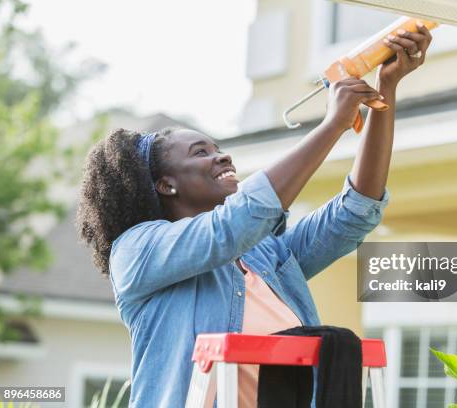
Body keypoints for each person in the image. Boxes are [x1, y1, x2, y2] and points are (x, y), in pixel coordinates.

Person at [77, 26, 432, 408]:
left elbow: (353, 215)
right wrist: (332, 125)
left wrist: (386, 90)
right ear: (166, 185)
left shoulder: (265, 256)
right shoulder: (137, 251)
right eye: (200, 152)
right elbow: (238, 221)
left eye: (219, 148)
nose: (222, 157)